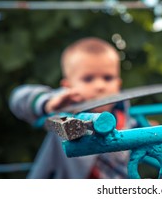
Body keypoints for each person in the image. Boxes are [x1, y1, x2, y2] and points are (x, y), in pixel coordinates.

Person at [10, 37, 133, 178]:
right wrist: (47, 104)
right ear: (68, 86)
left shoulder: (125, 115)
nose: (100, 86)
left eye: (108, 78)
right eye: (88, 79)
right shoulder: (64, 107)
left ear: (118, 83)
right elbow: (17, 98)